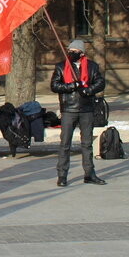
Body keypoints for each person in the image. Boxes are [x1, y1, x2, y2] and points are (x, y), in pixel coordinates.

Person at [50, 39, 107, 187]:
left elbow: (100, 83)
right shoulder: (61, 67)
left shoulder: (92, 67)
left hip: (86, 109)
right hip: (69, 109)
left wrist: (88, 90)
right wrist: (71, 86)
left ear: (81, 53)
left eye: (74, 51)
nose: (71, 53)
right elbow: (55, 85)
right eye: (70, 51)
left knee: (87, 144)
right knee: (65, 144)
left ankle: (89, 174)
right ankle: (62, 176)